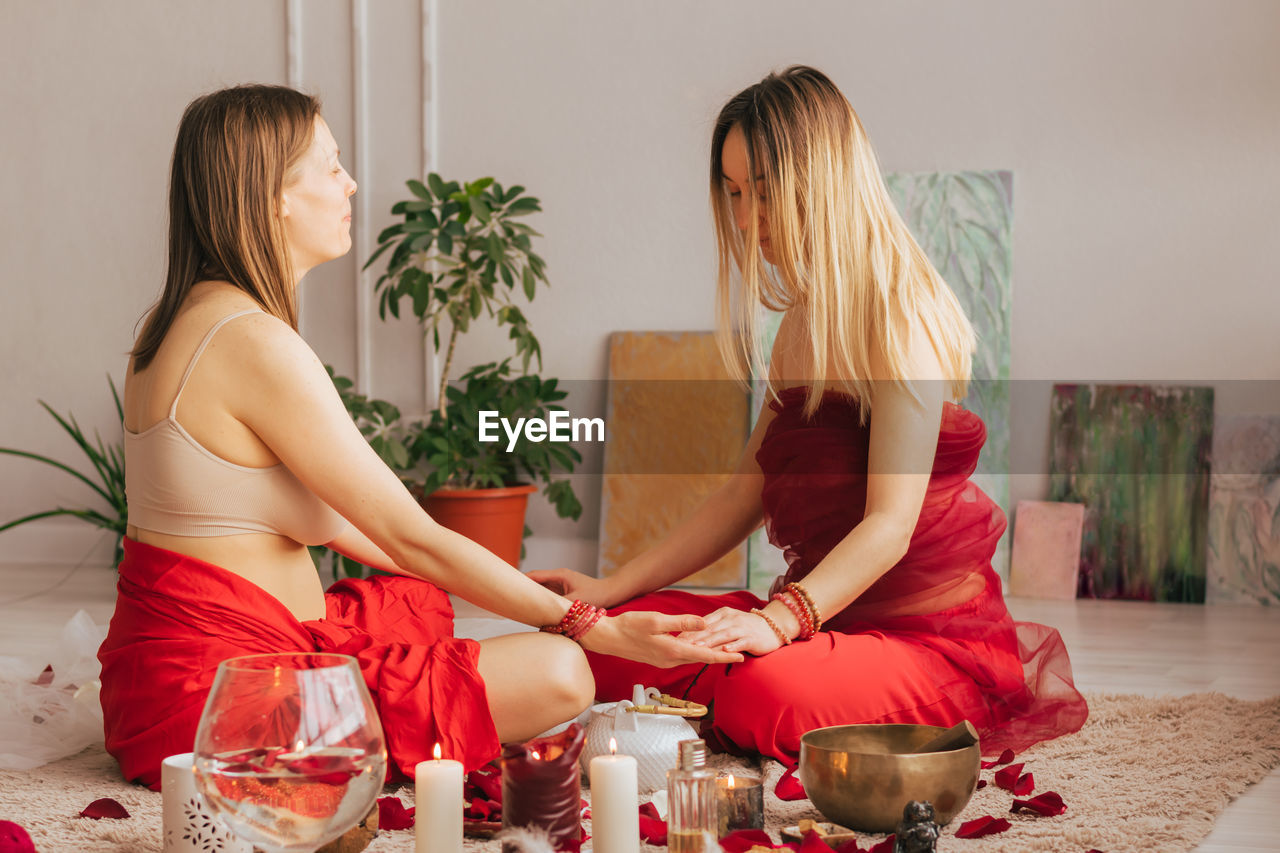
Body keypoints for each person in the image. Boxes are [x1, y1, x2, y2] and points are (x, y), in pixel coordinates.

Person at [97, 84, 740, 790]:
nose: (350, 183)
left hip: (179, 674)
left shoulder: (179, 318)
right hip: (232, 703)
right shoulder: (252, 342)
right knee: (562, 672)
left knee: (420, 602)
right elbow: (411, 535)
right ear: (274, 194)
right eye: (331, 165)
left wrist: (515, 588)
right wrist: (589, 623)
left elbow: (353, 526)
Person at [529, 66, 1088, 768]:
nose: (741, 217)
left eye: (760, 191)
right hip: (824, 624)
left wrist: (776, 620)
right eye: (733, 193)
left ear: (819, 180)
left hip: (923, 643)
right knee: (598, 642)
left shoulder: (899, 313)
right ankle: (733, 669)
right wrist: (609, 592)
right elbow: (742, 492)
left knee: (762, 693)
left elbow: (889, 526)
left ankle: (759, 680)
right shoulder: (800, 325)